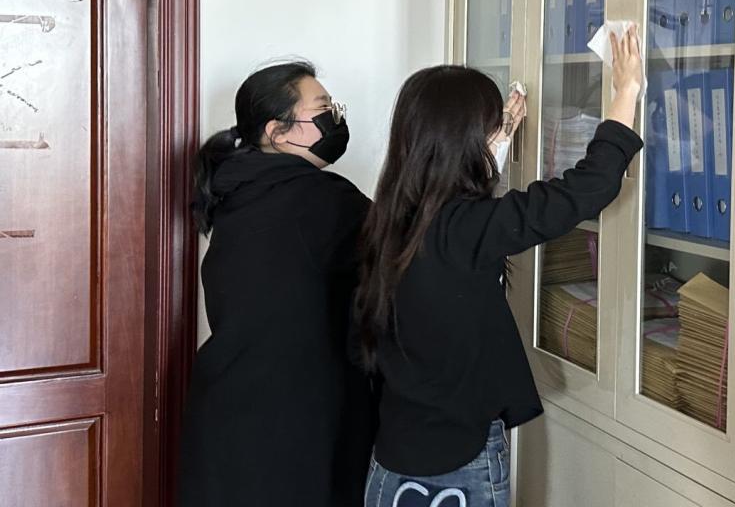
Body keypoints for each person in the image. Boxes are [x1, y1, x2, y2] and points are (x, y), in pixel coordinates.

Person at [356, 27, 645, 507]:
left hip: (394, 460)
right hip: (455, 468)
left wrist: (499, 138)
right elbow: (586, 188)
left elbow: (467, 206)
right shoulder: (465, 230)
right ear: (464, 141)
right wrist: (626, 91)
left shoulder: (390, 221)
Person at [179, 61, 375, 507]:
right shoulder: (318, 198)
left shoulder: (238, 189)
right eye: (323, 109)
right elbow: (417, 245)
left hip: (228, 413)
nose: (335, 119)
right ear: (278, 131)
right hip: (294, 425)